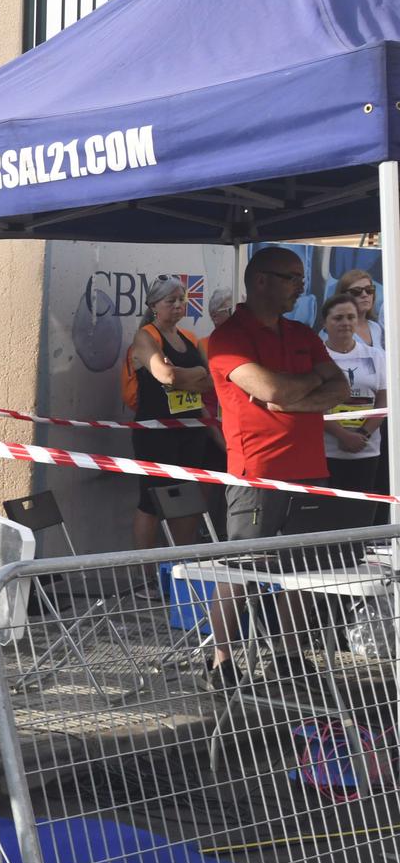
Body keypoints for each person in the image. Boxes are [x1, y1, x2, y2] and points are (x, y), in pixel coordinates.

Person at [203, 248, 349, 687]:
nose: (300, 286)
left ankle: (285, 654)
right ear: (261, 280)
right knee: (241, 571)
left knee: (302, 571)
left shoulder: (301, 333)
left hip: (309, 467)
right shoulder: (230, 337)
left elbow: (339, 386)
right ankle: (221, 660)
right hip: (258, 471)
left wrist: (290, 395)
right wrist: (300, 389)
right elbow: (269, 387)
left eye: (301, 277)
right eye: (292, 277)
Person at [124, 275, 222, 549]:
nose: (178, 306)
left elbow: (209, 381)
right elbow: (165, 375)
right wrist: (194, 374)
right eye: (171, 301)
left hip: (191, 430)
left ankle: (181, 566)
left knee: (188, 500)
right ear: (155, 305)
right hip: (156, 432)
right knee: (152, 501)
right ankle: (145, 577)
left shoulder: (188, 337)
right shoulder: (146, 336)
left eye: (182, 300)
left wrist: (190, 375)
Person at [317, 292, 387, 502]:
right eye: (338, 318)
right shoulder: (318, 356)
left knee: (362, 513)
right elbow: (313, 402)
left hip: (367, 450)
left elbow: (384, 398)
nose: (345, 323)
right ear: (325, 323)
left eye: (351, 317)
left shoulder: (375, 355)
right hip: (328, 451)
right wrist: (343, 436)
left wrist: (363, 434)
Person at [338, 268, 384, 351]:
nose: (365, 295)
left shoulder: (375, 328)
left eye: (369, 290)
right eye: (356, 291)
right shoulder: (334, 330)